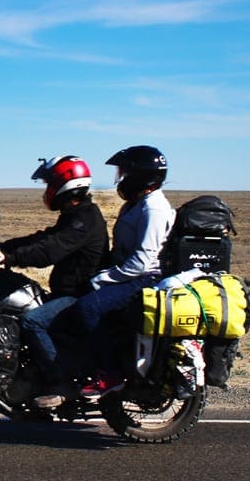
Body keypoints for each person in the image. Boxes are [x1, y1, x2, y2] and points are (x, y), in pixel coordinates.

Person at [32, 145, 175, 408]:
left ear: (141, 175)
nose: (120, 178)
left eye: (124, 171)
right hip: (128, 274)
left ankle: (109, 374)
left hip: (144, 277)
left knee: (88, 307)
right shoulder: (137, 204)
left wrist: (102, 279)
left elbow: (143, 260)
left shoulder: (154, 208)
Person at [0, 156, 109, 393]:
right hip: (69, 291)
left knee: (32, 321)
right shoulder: (76, 214)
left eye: (50, 184)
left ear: (66, 185)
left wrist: (11, 258)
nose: (47, 191)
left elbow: (50, 250)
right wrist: (3, 247)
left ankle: (60, 382)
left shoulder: (85, 219)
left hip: (78, 294)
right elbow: (44, 238)